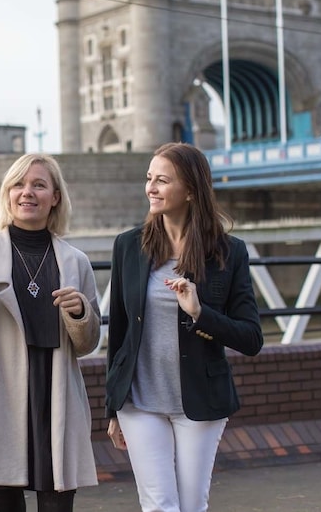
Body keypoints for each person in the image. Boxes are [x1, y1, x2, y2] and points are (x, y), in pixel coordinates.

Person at [105, 142, 264, 512]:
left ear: (190, 190)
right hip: (139, 402)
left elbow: (251, 338)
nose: (151, 188)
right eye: (149, 179)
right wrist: (113, 407)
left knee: (191, 505)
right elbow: (120, 332)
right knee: (159, 505)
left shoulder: (228, 252)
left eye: (162, 180)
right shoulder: (128, 246)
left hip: (200, 401)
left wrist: (200, 313)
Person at [0, 153, 101, 512]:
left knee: (58, 505)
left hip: (56, 391)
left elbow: (89, 343)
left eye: (39, 185)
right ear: (7, 195)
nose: (27, 193)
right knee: (6, 504)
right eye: (18, 185)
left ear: (55, 197)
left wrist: (79, 313)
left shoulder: (76, 261)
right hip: (2, 390)